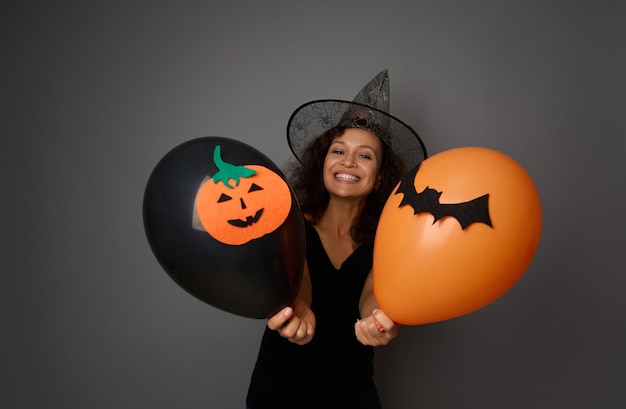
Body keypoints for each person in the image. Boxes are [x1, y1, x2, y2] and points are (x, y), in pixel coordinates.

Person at [245, 70, 427, 409]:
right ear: (322, 162)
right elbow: (300, 278)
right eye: (338, 150)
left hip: (352, 392)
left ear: (380, 177)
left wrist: (377, 319)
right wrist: (297, 307)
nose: (348, 162)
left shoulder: (387, 237)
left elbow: (373, 292)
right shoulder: (289, 220)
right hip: (281, 389)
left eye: (365, 155)